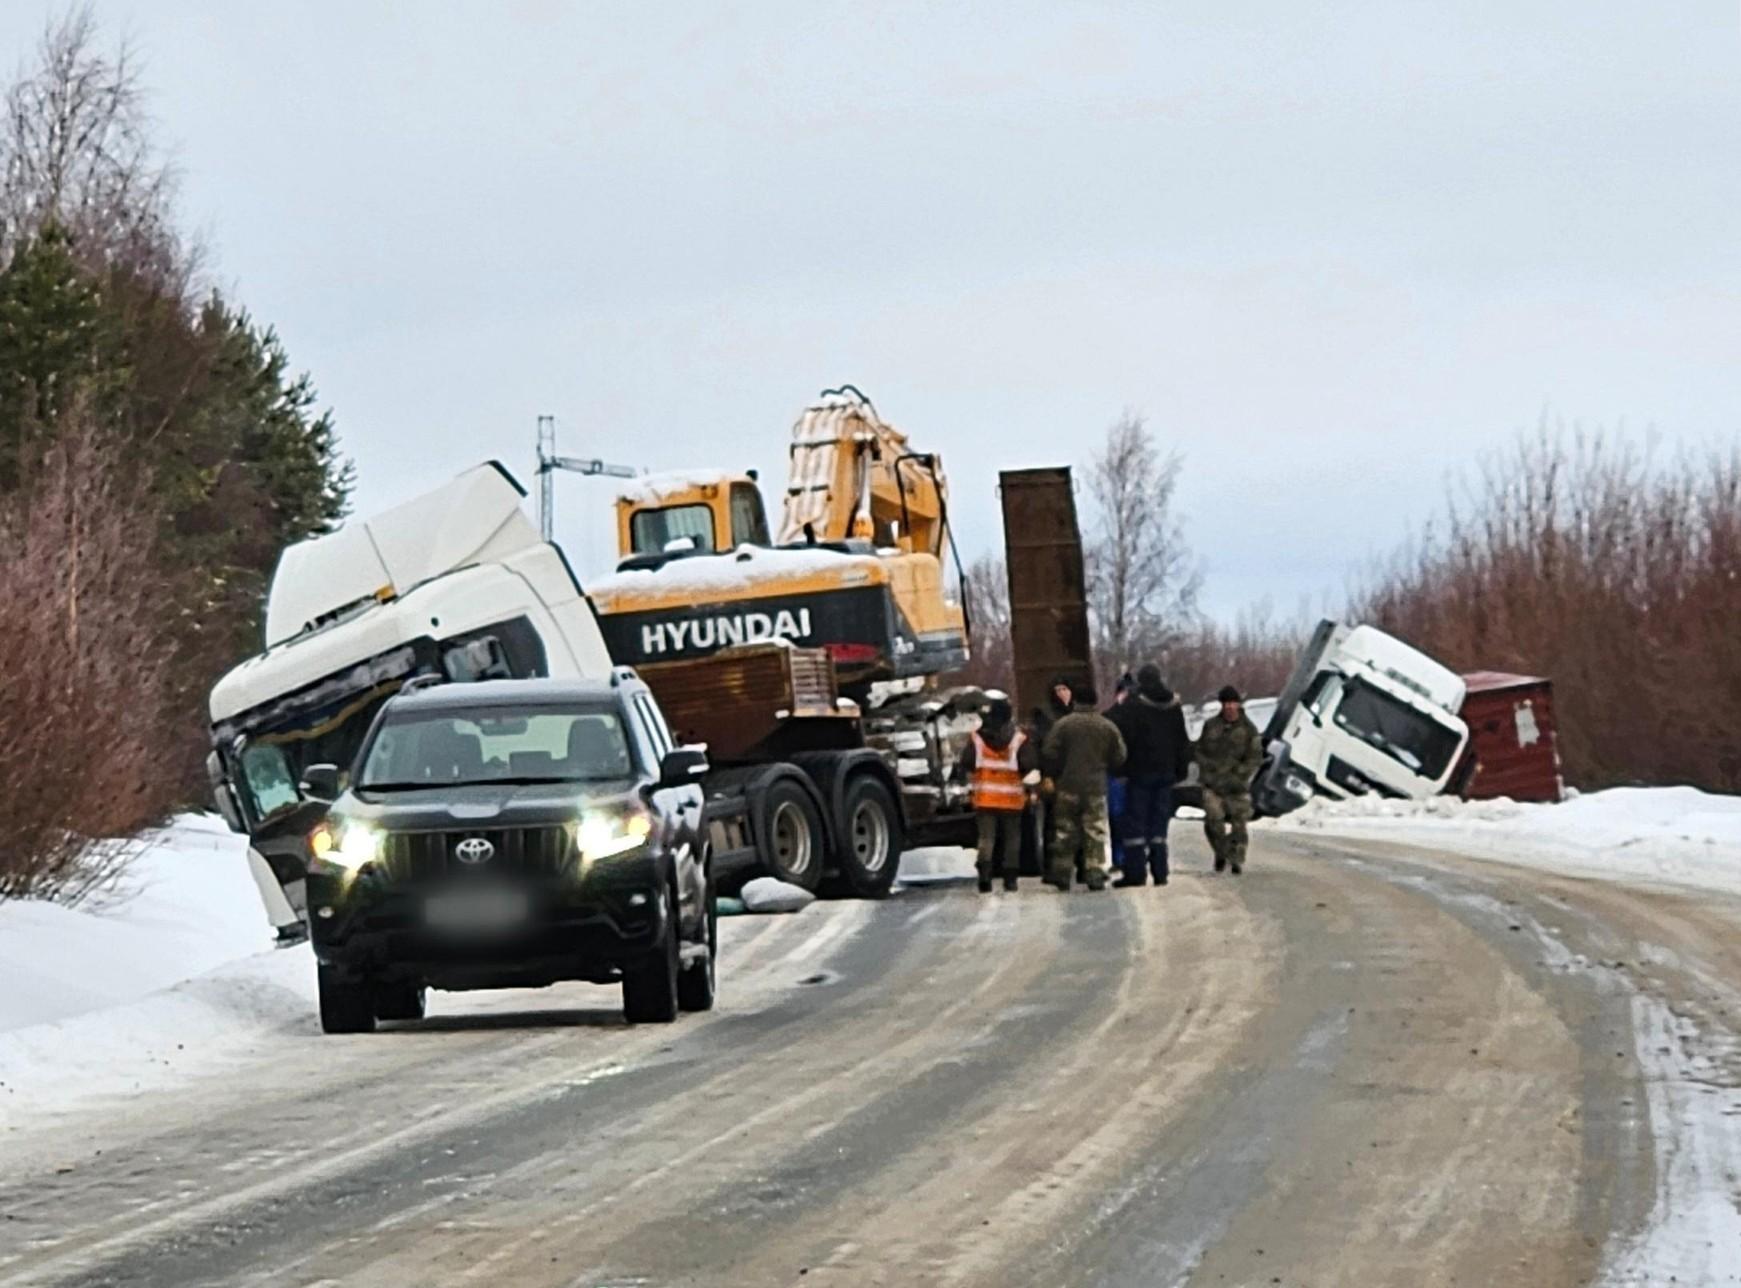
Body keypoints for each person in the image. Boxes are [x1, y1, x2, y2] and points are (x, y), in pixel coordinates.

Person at [1107, 664, 1192, 887]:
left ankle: (1136, 873)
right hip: (1166, 773)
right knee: (1159, 824)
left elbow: (1124, 738)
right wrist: (1180, 770)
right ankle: (1160, 871)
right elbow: (1181, 740)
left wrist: (1119, 769)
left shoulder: (1134, 705)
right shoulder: (1173, 706)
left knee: (1135, 825)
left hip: (1139, 773)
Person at [1040, 683, 1127, 891]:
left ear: (1076, 700)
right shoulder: (1106, 726)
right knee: (1095, 831)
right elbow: (1120, 756)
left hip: (1068, 786)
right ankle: (1094, 872)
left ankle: (1061, 873)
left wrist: (1055, 773)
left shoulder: (1063, 725)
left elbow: (1049, 752)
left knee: (1065, 831)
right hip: (1095, 787)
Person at [954, 697, 1038, 893]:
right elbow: (1029, 766)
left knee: (986, 839)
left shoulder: (976, 738)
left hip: (985, 798)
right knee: (1012, 839)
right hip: (1011, 799)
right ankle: (1010, 879)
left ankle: (984, 875)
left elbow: (966, 762)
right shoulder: (1019, 739)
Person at [1195, 684, 1263, 875]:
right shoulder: (1211, 726)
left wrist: (1241, 773)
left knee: (1239, 825)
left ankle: (1236, 859)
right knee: (1213, 821)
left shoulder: (1249, 729)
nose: (1230, 707)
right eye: (1226, 703)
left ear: (1238, 705)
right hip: (1214, 784)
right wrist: (1208, 770)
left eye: (1233, 703)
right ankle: (1220, 852)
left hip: (1237, 786)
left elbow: (1255, 757)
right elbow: (1200, 751)